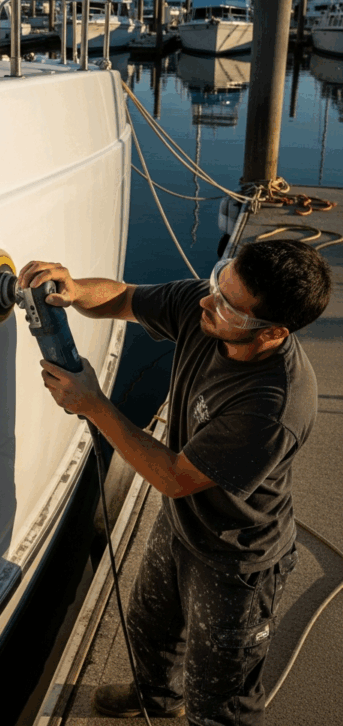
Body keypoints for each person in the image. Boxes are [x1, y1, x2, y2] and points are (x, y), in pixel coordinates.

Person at [17, 239, 332, 726]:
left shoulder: (275, 404)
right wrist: (77, 290)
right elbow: (123, 298)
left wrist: (95, 405)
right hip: (182, 527)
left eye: (228, 305)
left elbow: (174, 477)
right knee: (150, 623)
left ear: (272, 333)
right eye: (216, 284)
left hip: (236, 557)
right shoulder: (205, 307)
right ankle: (156, 698)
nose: (208, 301)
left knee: (220, 693)